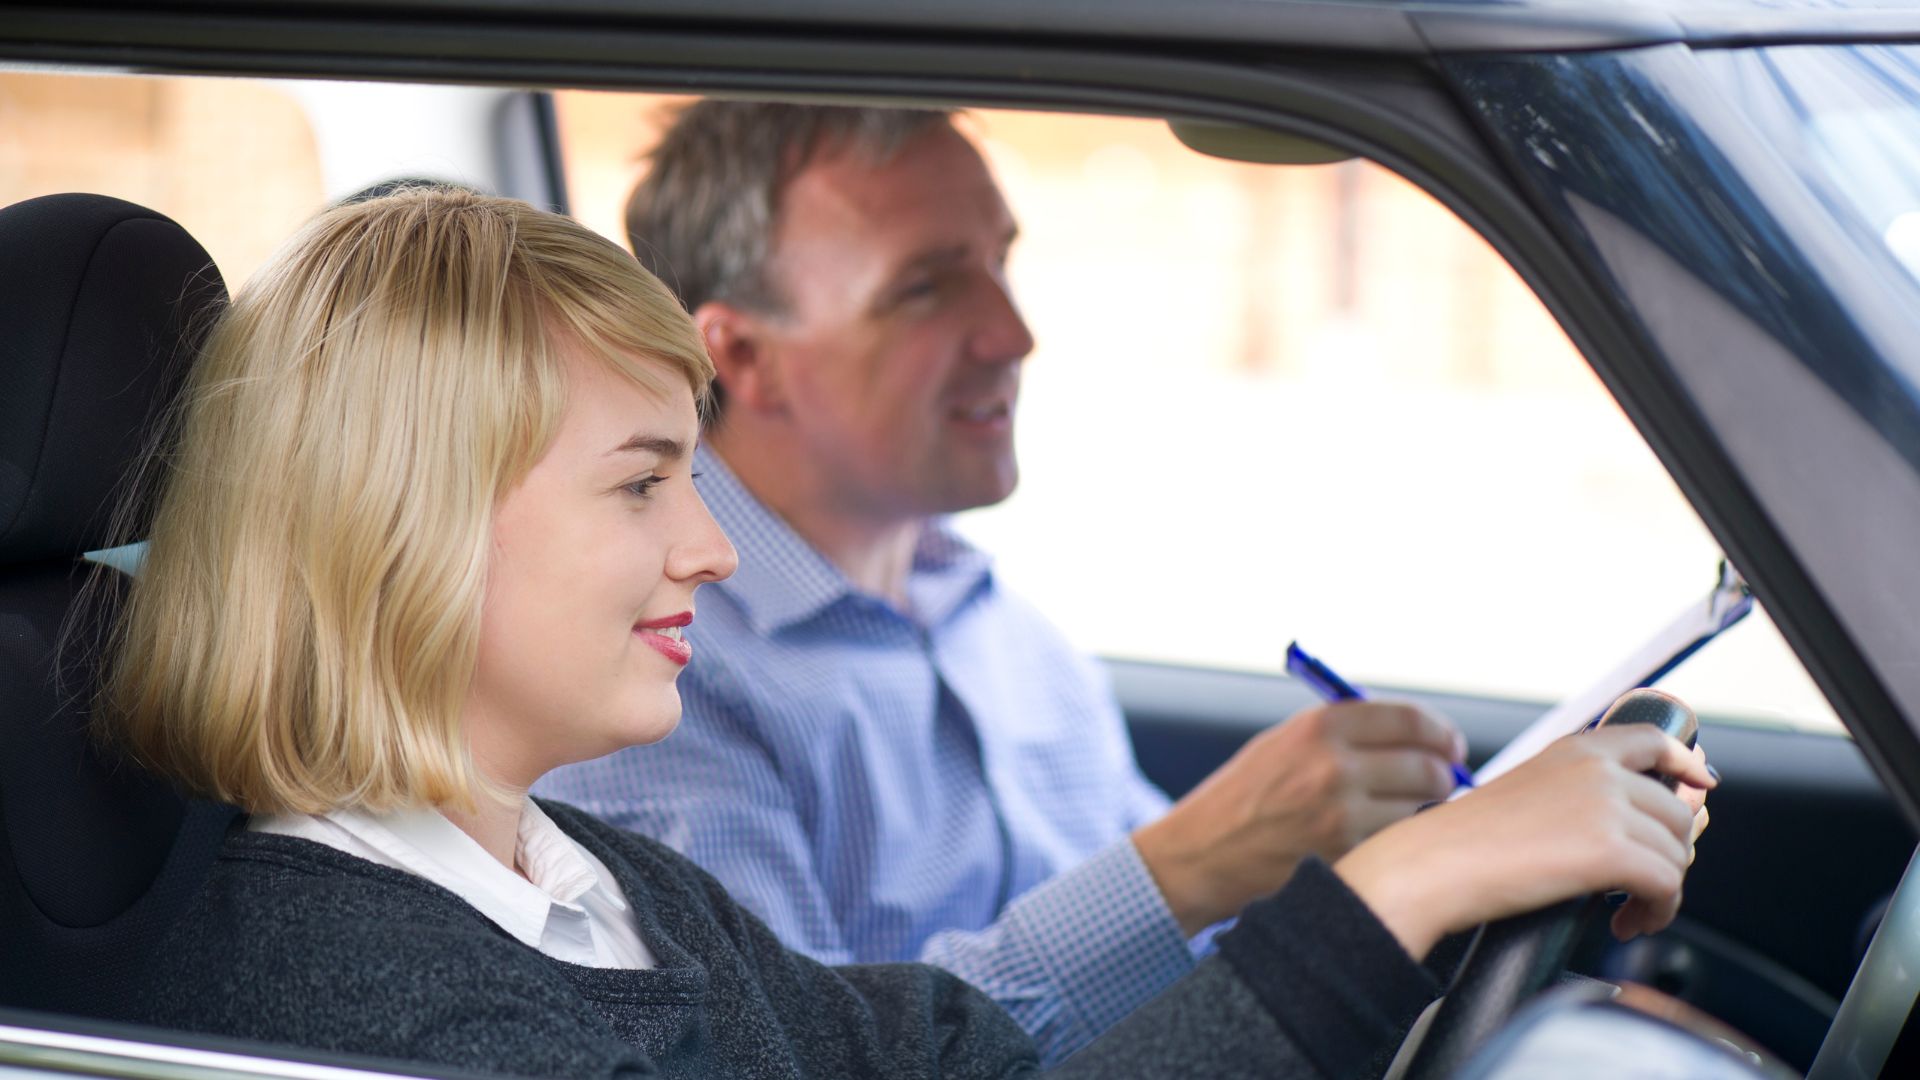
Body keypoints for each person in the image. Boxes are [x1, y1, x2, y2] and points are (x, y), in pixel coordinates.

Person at [106, 186, 1712, 1080]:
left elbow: (952, 1064)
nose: (713, 546)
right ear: (412, 531)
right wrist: (1405, 888)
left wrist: (1416, 896)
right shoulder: (391, 1020)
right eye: (643, 484)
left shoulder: (593, 890)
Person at [540, 102, 1711, 1062]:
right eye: (927, 288)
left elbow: (1192, 965)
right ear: (743, 357)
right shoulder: (658, 677)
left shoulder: (998, 626)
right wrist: (1198, 861)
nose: (1012, 331)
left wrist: (1449, 854)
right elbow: (800, 1056)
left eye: (999, 263)